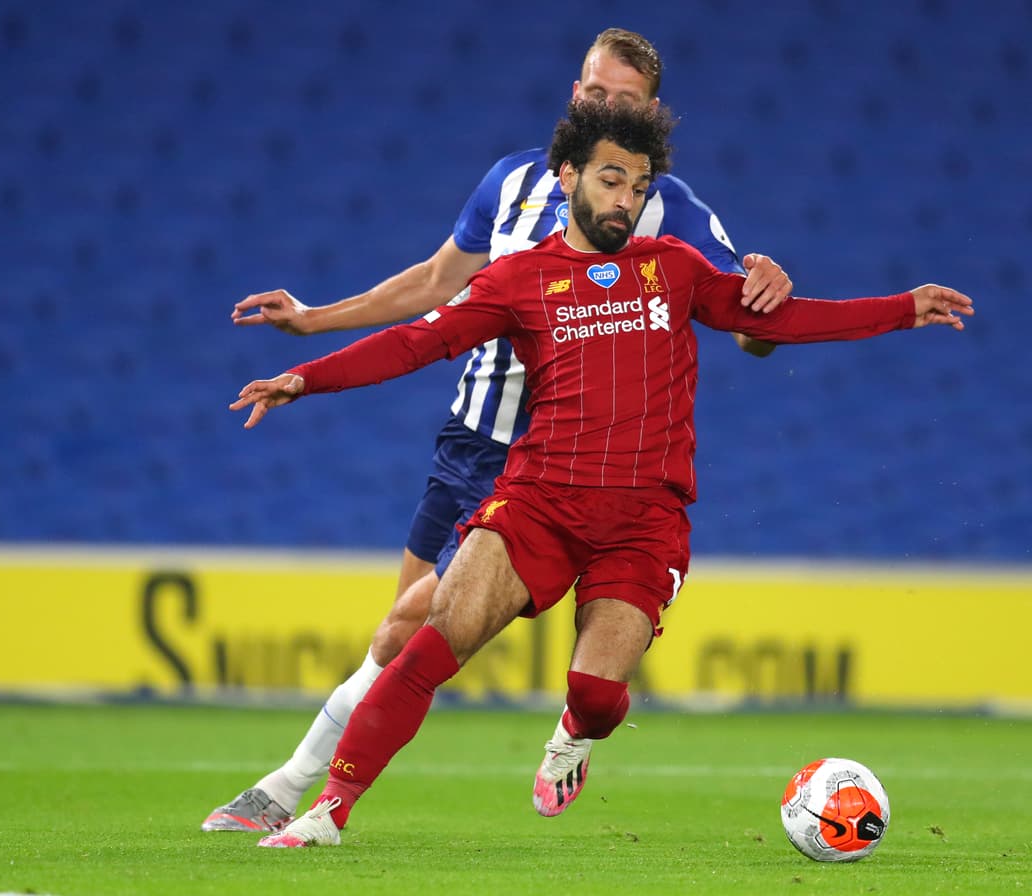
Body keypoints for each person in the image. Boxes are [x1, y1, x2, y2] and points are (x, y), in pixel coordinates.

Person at [227, 97, 974, 847]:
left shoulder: (673, 268)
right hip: (537, 504)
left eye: (639, 186)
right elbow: (416, 343)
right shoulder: (519, 278)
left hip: (643, 521)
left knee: (595, 695)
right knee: (434, 641)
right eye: (612, 180)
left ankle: (574, 735)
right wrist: (304, 378)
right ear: (568, 177)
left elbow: (773, 321)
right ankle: (329, 810)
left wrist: (900, 308)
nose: (626, 199)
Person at [201, 28, 792, 834]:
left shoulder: (669, 207)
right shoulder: (511, 179)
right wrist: (314, 321)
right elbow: (437, 283)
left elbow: (751, 329)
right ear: (575, 94)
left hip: (566, 461)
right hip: (471, 442)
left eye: (626, 101)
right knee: (400, 632)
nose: (606, 108)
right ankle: (300, 792)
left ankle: (289, 789)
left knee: (412, 627)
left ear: (652, 113)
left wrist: (765, 288)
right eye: (595, 93)